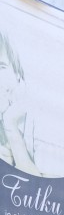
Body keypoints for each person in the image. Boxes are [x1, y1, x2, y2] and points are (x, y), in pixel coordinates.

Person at [0, 31, 39, 174]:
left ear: (17, 75)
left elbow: (41, 190)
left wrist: (10, 126)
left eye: (2, 67)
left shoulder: (33, 119)